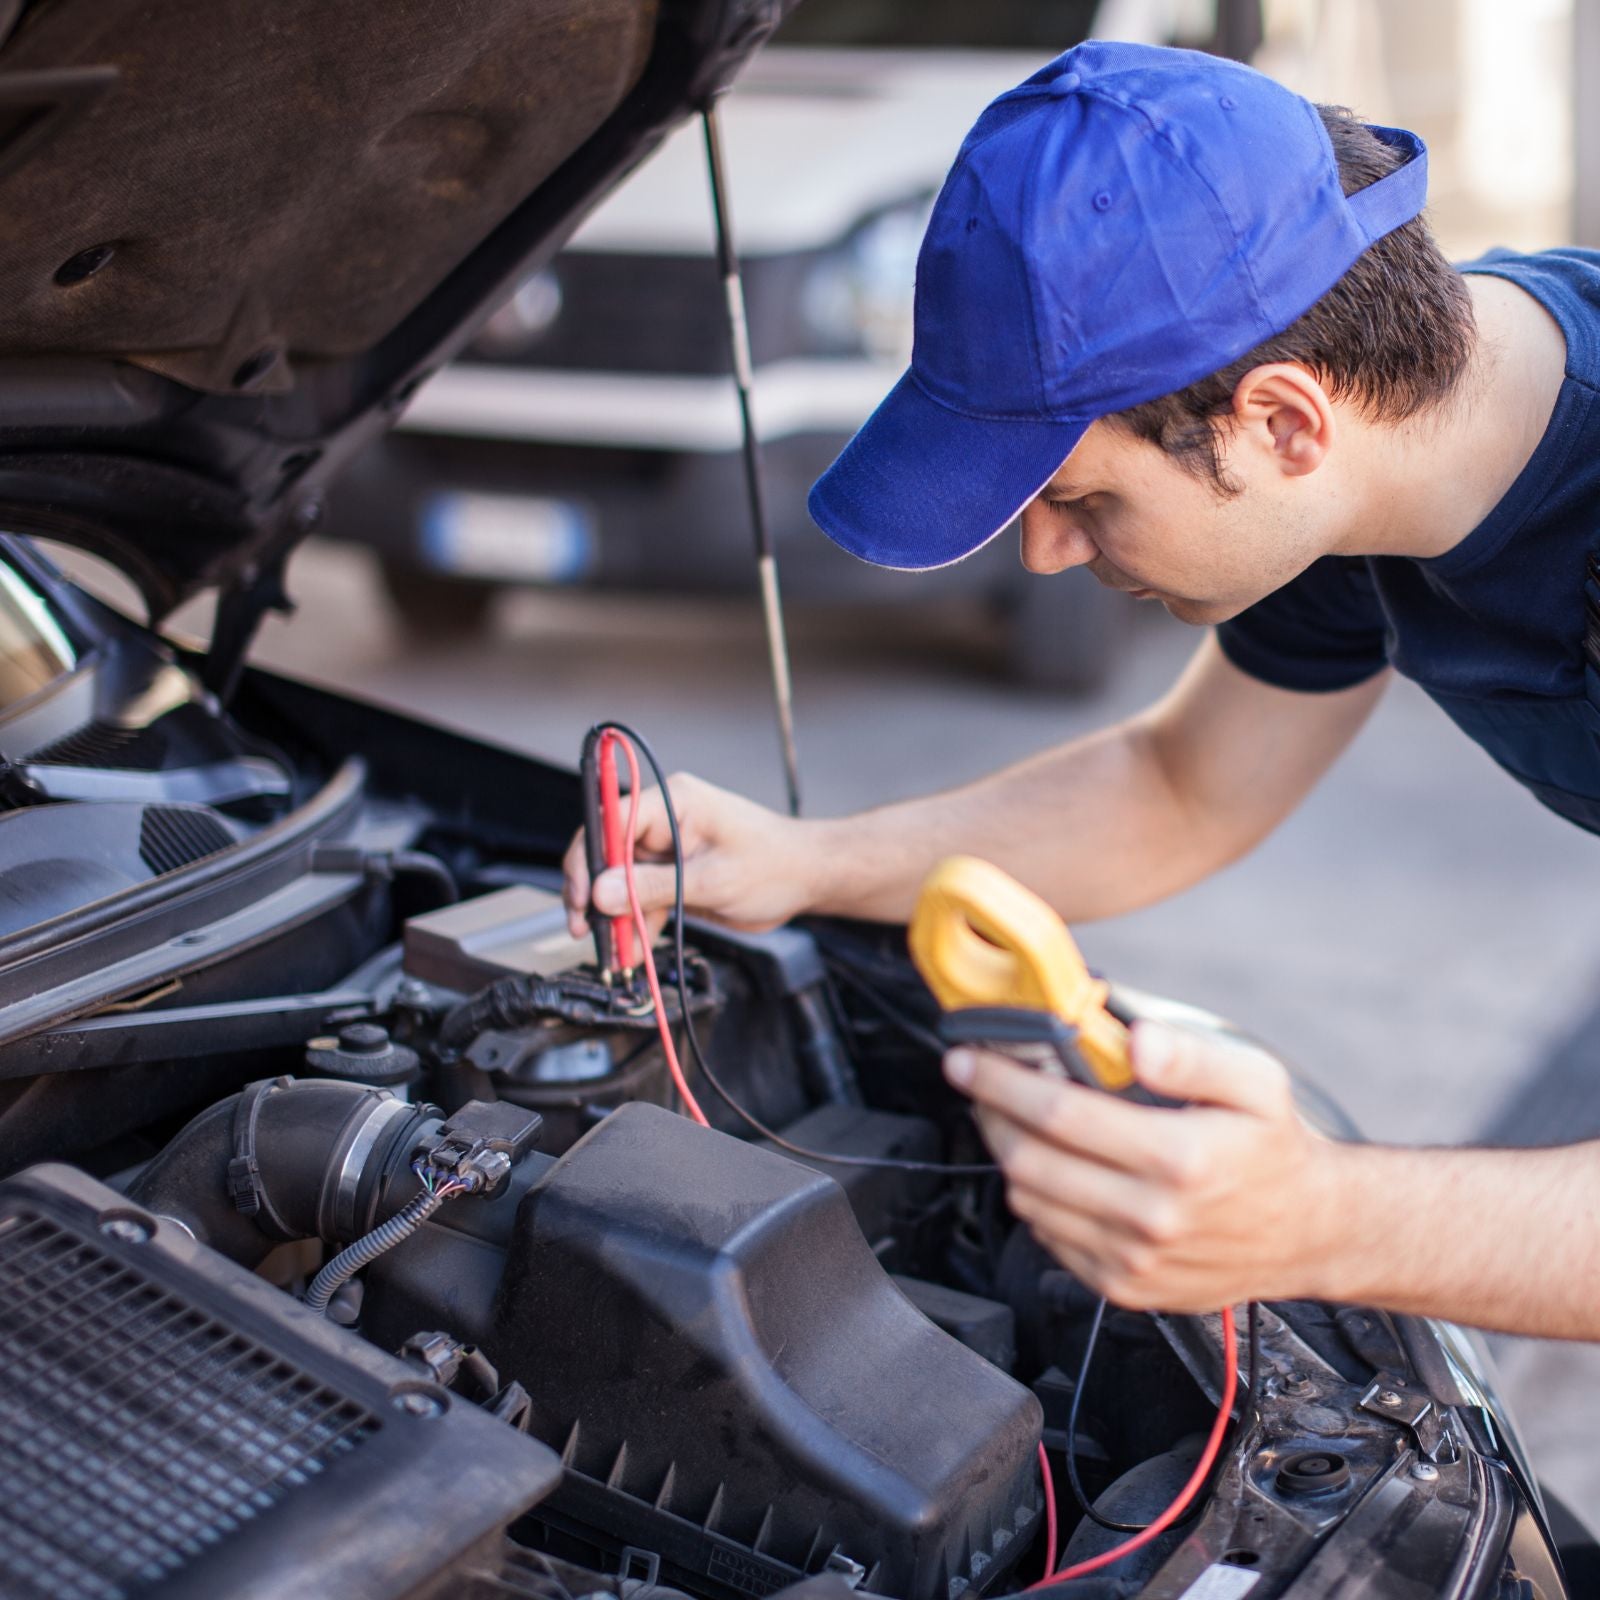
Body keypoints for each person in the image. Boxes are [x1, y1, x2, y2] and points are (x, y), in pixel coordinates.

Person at [564, 41, 1600, 1338]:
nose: (1045, 550)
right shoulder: (1380, 463)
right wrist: (801, 860)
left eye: (1082, 498)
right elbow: (1181, 787)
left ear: (1284, 424)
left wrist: (1323, 1216)